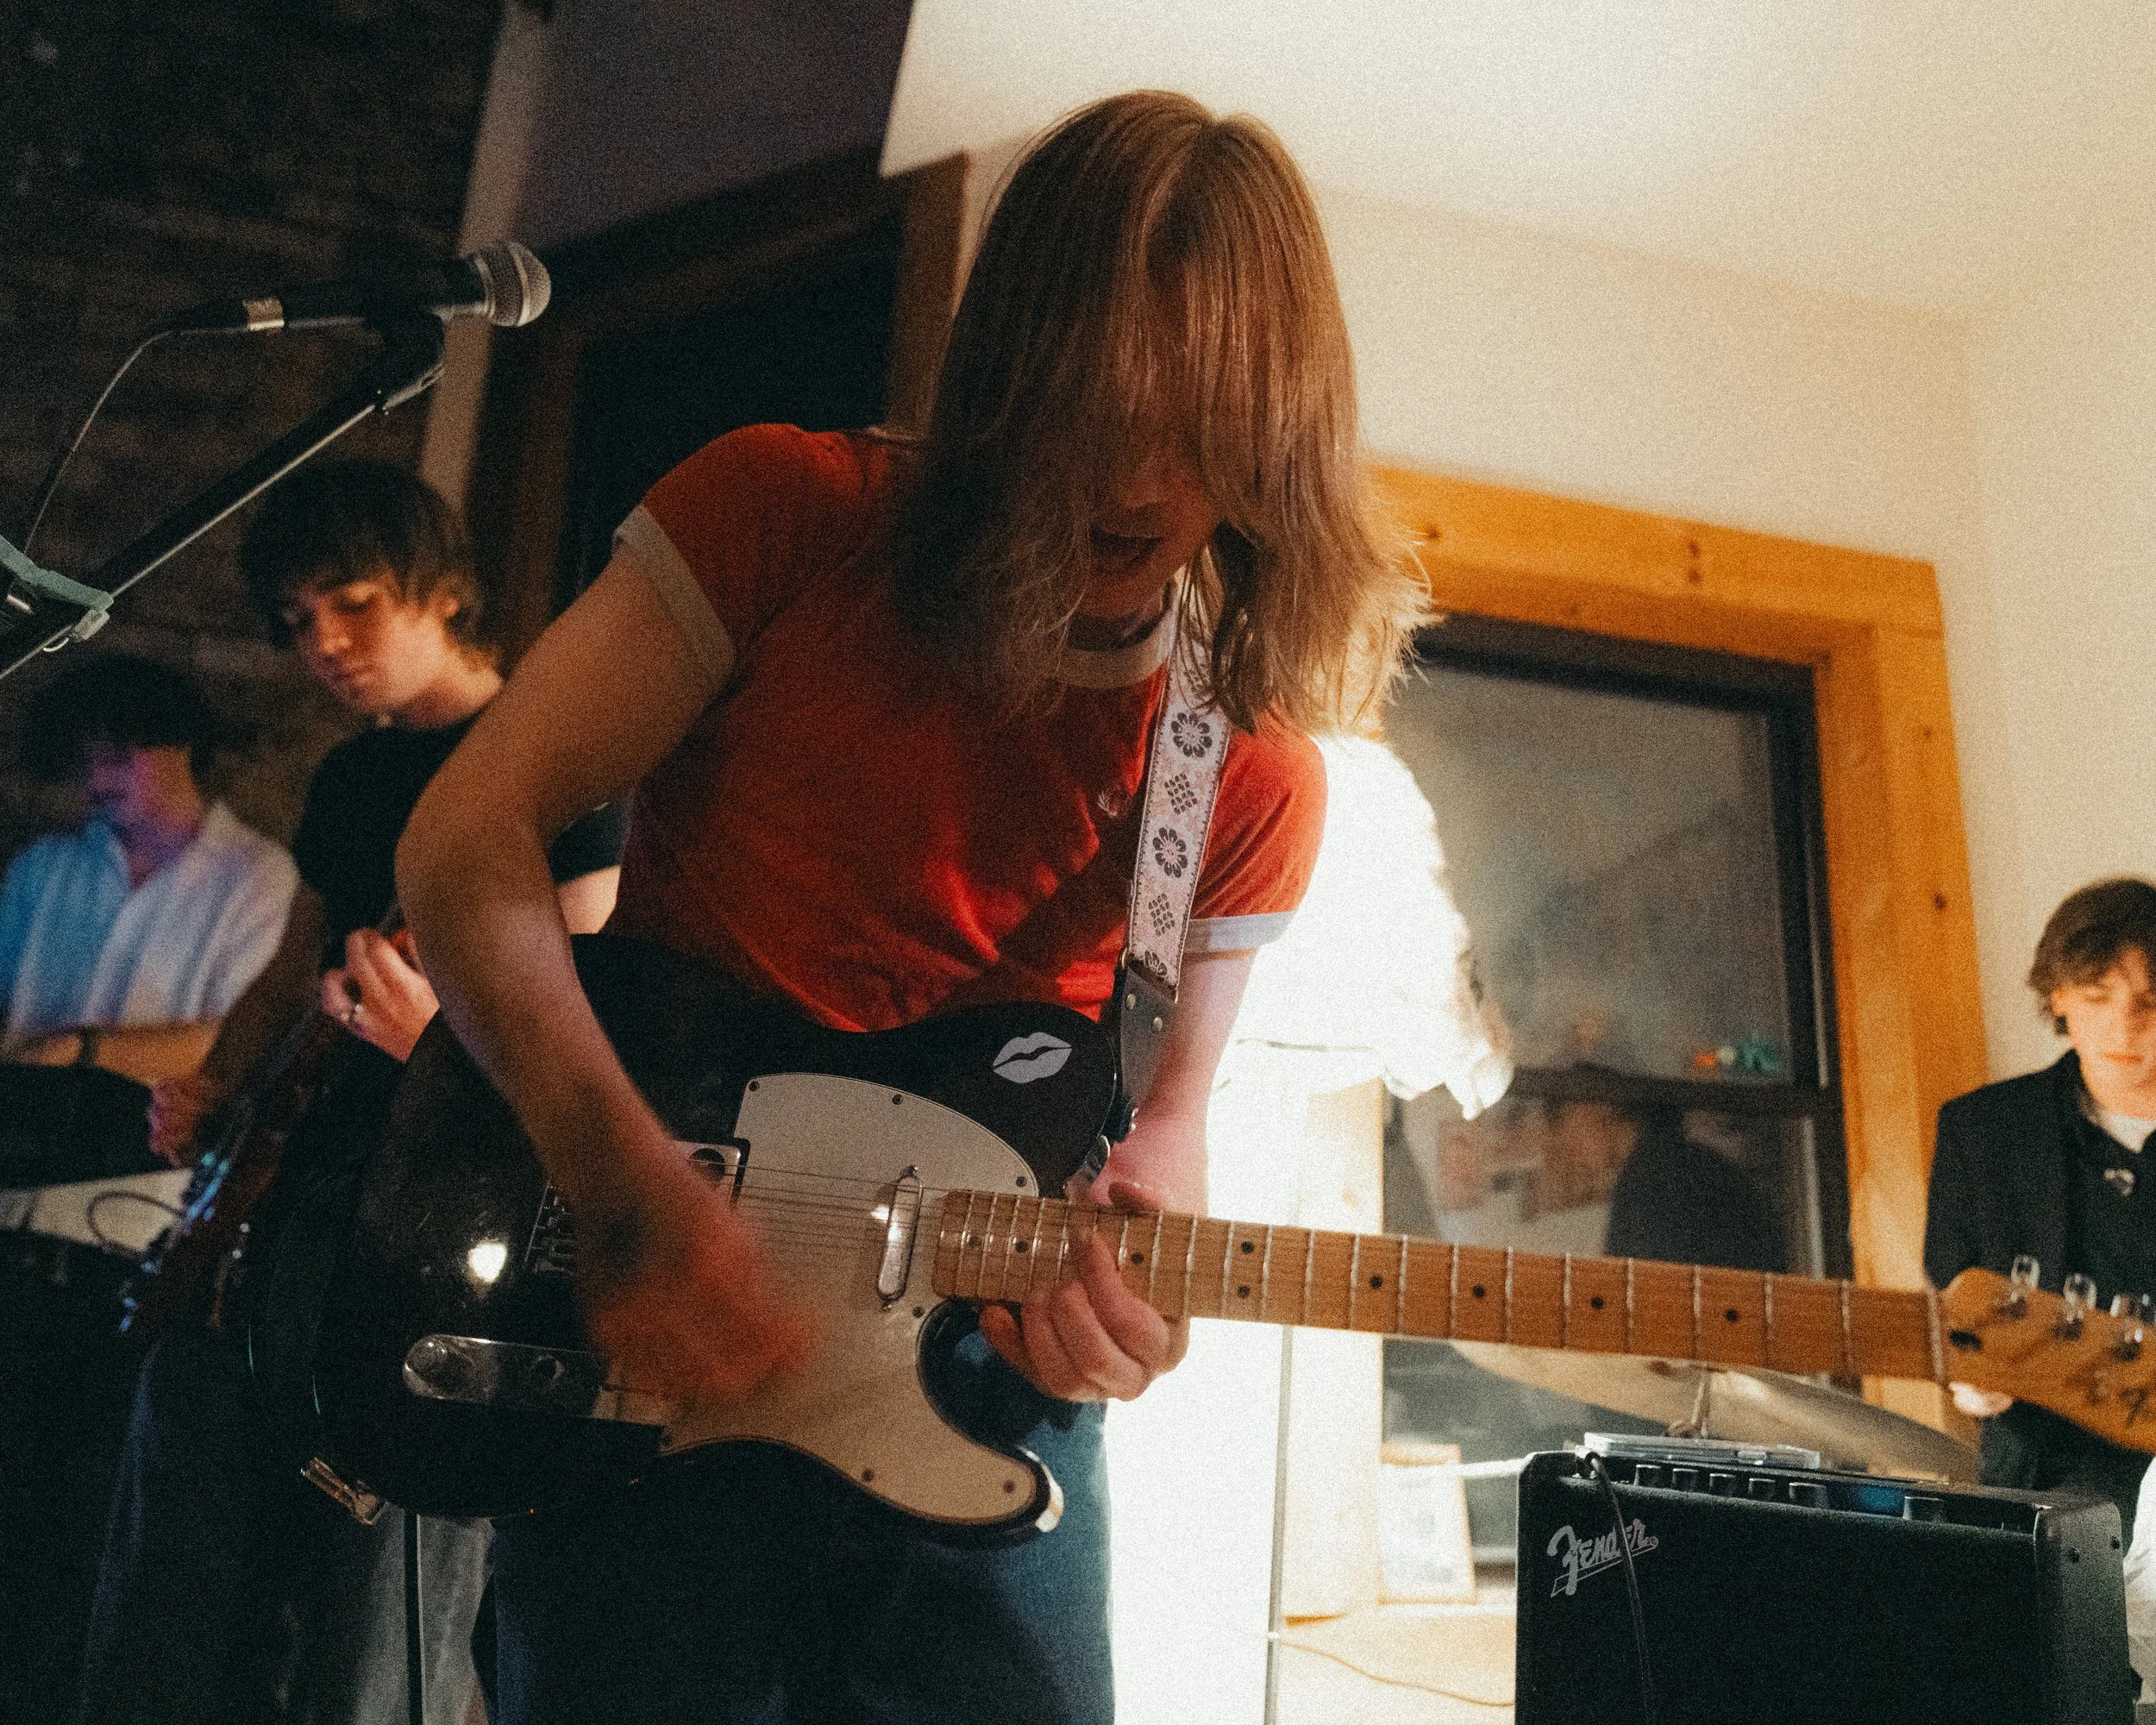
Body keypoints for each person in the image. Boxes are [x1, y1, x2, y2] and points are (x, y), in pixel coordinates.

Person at [396, 91, 1426, 1725]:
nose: (1142, 476)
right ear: (1014, 365)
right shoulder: (786, 514)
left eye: (1205, 423)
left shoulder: (1251, 776)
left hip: (972, 1410)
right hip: (646, 1331)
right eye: (1101, 404)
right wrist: (621, 1183)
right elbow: (465, 841)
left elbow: (1158, 1155)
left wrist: (1121, 1321)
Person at [75, 462, 626, 1725]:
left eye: (356, 604)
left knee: (373, 1647)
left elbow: (596, 1029)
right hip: (287, 1204)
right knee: (172, 1587)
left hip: (436, 1249)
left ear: (438, 588)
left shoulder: (561, 770)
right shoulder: (352, 779)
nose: (323, 644)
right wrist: (219, 1080)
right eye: (297, 620)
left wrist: (438, 1040)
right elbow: (295, 964)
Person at [1927, 876, 2156, 1542]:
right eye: (2096, 996)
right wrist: (1972, 1383)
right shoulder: (1983, 1132)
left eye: (2150, 1002)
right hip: (2047, 1485)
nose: (2124, 1026)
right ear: (2058, 996)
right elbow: (1955, 1297)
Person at [0, 653, 296, 1082]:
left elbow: (238, 1040)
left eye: (119, 758)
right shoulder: (46, 866)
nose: (99, 780)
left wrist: (81, 1050)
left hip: (149, 1135)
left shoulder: (256, 876)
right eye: (87, 763)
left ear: (182, 745)